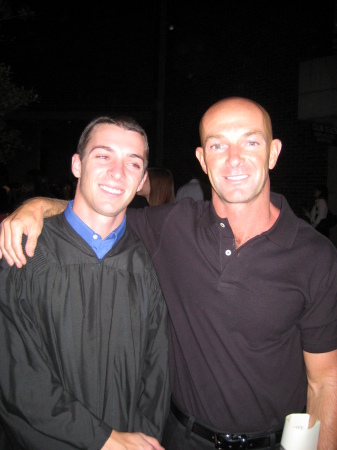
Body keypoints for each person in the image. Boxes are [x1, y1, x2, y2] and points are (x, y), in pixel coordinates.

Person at [1, 97, 337, 450]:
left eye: (251, 142)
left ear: (273, 152)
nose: (234, 158)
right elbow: (101, 210)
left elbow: (326, 383)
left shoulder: (315, 256)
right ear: (202, 159)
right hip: (181, 439)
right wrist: (34, 207)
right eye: (218, 145)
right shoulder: (173, 226)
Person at [0, 116, 170, 449]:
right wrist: (104, 440)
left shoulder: (146, 266)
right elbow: (17, 378)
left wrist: (141, 440)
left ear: (142, 181)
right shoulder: (25, 256)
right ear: (77, 164)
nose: (118, 172)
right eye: (103, 156)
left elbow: (157, 374)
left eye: (132, 163)